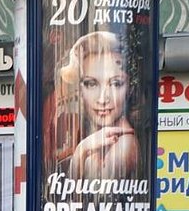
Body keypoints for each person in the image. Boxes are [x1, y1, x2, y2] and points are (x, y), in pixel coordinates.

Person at [57, 30, 138, 182]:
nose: (103, 99)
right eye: (91, 84)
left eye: (115, 83)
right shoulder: (98, 139)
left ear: (129, 88)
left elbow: (93, 200)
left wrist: (82, 151)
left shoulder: (124, 145)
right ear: (80, 90)